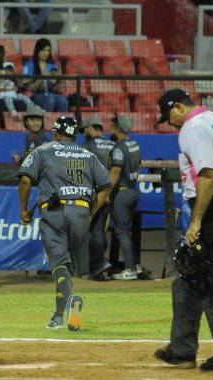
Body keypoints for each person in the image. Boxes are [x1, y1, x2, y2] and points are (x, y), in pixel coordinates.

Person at [153, 88, 213, 373]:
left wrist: (196, 222)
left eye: (168, 115)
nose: (168, 123)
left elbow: (207, 175)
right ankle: (182, 350)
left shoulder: (192, 129)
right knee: (187, 280)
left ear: (179, 108)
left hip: (210, 210)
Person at [17, 116, 110, 330]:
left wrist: (23, 208)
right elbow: (105, 186)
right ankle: (60, 314)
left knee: (59, 264)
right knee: (67, 266)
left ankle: (67, 308)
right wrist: (92, 213)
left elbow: (24, 179)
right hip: (81, 212)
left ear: (56, 132)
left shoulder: (43, 150)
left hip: (55, 212)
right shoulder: (89, 154)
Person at [103, 116, 142, 281]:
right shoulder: (135, 144)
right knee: (128, 231)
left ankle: (130, 269)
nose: (110, 127)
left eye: (113, 125)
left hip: (122, 194)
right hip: (133, 191)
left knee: (121, 231)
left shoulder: (118, 148)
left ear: (118, 127)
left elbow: (115, 172)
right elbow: (138, 164)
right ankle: (135, 265)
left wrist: (105, 193)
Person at [81, 116, 115, 281]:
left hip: (91, 193)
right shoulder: (112, 144)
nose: (84, 132)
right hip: (108, 194)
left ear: (90, 128)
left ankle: (96, 265)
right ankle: (100, 267)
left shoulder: (87, 146)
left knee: (82, 228)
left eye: (85, 129)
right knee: (99, 231)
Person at [23, 38, 68, 112]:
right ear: (37, 50)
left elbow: (57, 88)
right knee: (50, 100)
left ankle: (61, 123)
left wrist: (58, 80)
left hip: (51, 94)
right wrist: (42, 78)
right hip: (35, 95)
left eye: (48, 51)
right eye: (43, 50)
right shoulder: (29, 65)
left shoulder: (53, 66)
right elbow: (29, 88)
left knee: (63, 100)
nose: (45, 53)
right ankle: (46, 122)